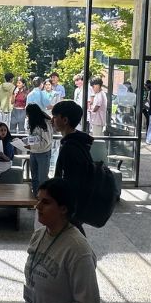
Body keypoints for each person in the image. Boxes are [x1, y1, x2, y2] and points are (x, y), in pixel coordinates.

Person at [24, 178, 100, 303]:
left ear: (63, 209)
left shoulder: (78, 250)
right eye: (38, 200)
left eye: (46, 202)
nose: (38, 207)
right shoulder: (39, 235)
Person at [51, 100, 94, 234]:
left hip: (71, 205)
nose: (52, 120)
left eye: (55, 117)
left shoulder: (70, 147)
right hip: (76, 203)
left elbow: (71, 180)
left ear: (64, 120)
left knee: (73, 234)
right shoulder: (79, 143)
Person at [24, 104, 53, 198]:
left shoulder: (45, 124)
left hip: (43, 153)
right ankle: (36, 197)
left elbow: (46, 142)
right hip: (33, 153)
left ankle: (44, 198)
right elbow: (33, 138)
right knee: (34, 178)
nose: (27, 116)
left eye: (28, 114)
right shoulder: (32, 123)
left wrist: (31, 147)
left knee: (42, 178)